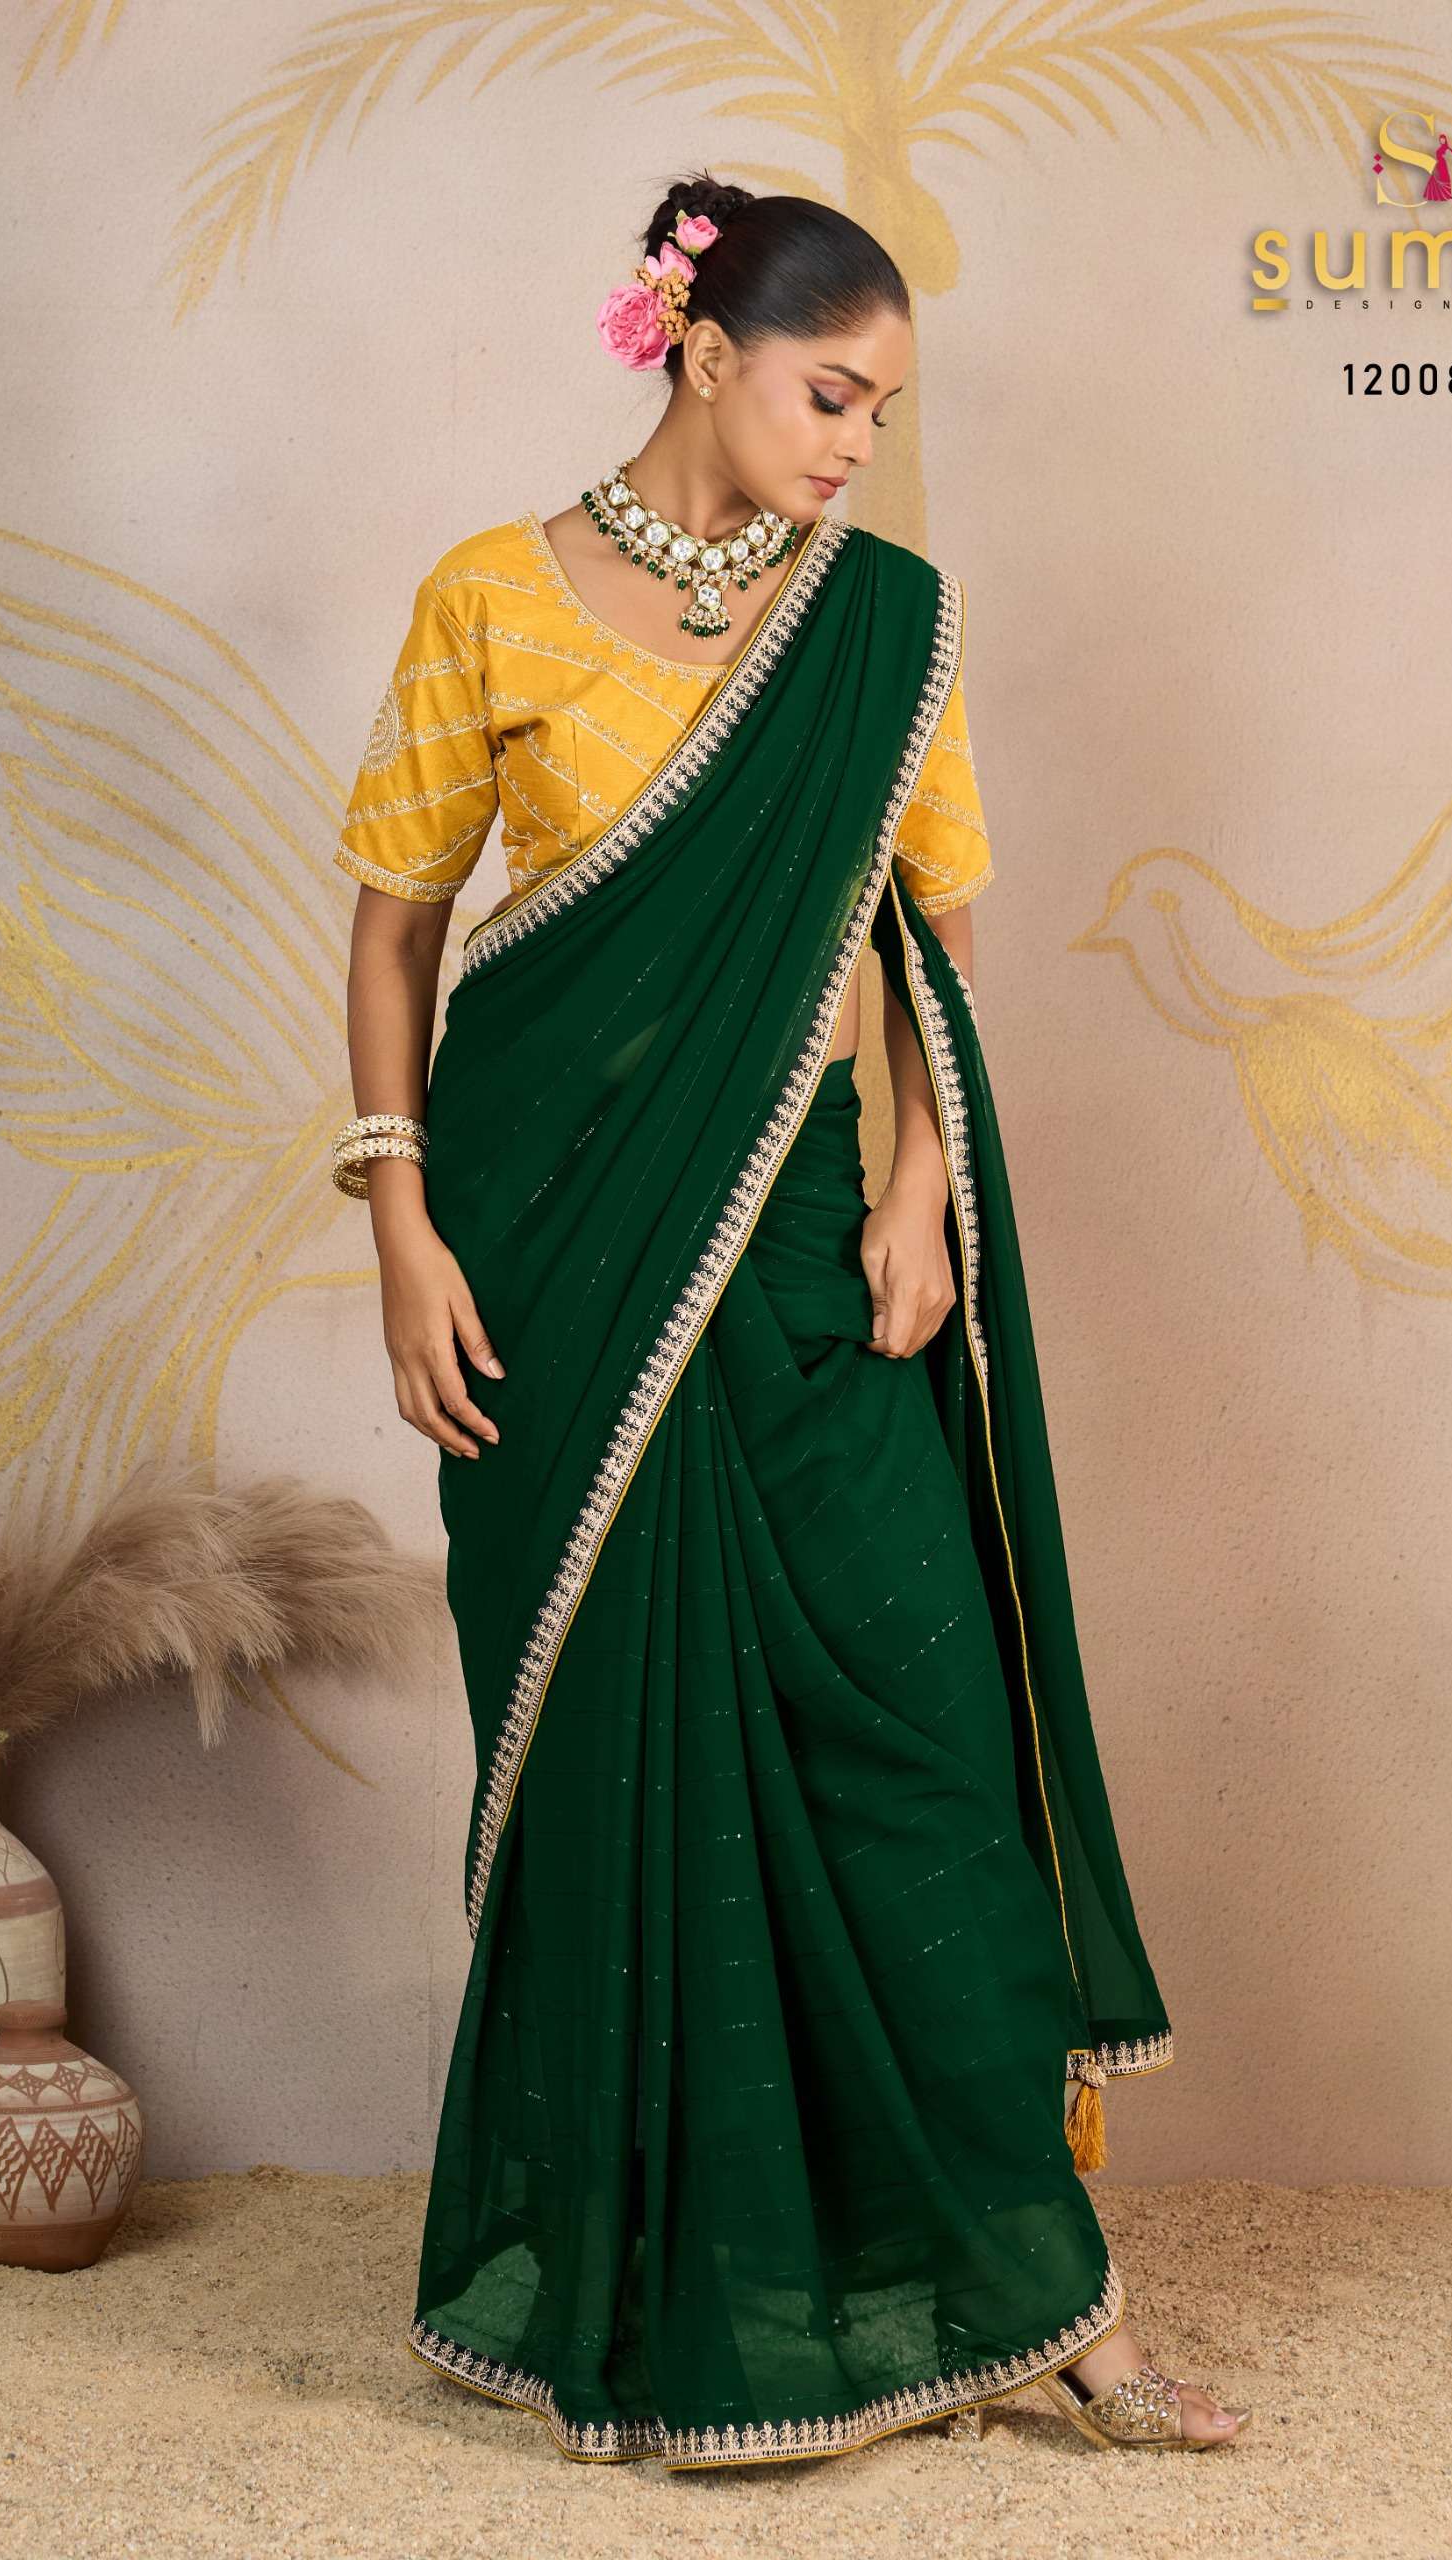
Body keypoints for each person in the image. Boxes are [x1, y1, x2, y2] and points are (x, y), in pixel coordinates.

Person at [334, 171, 1252, 2469]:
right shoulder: (487, 596)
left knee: (928, 1756)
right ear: (702, 348)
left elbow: (927, 935)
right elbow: (396, 928)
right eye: (830, 394)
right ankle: (674, 2291)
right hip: (553, 1262)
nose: (856, 444)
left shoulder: (885, 627)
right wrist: (401, 1225)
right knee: (623, 1765)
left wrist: (925, 1187)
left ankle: (1047, 2298)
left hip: (819, 1252)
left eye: (881, 411)